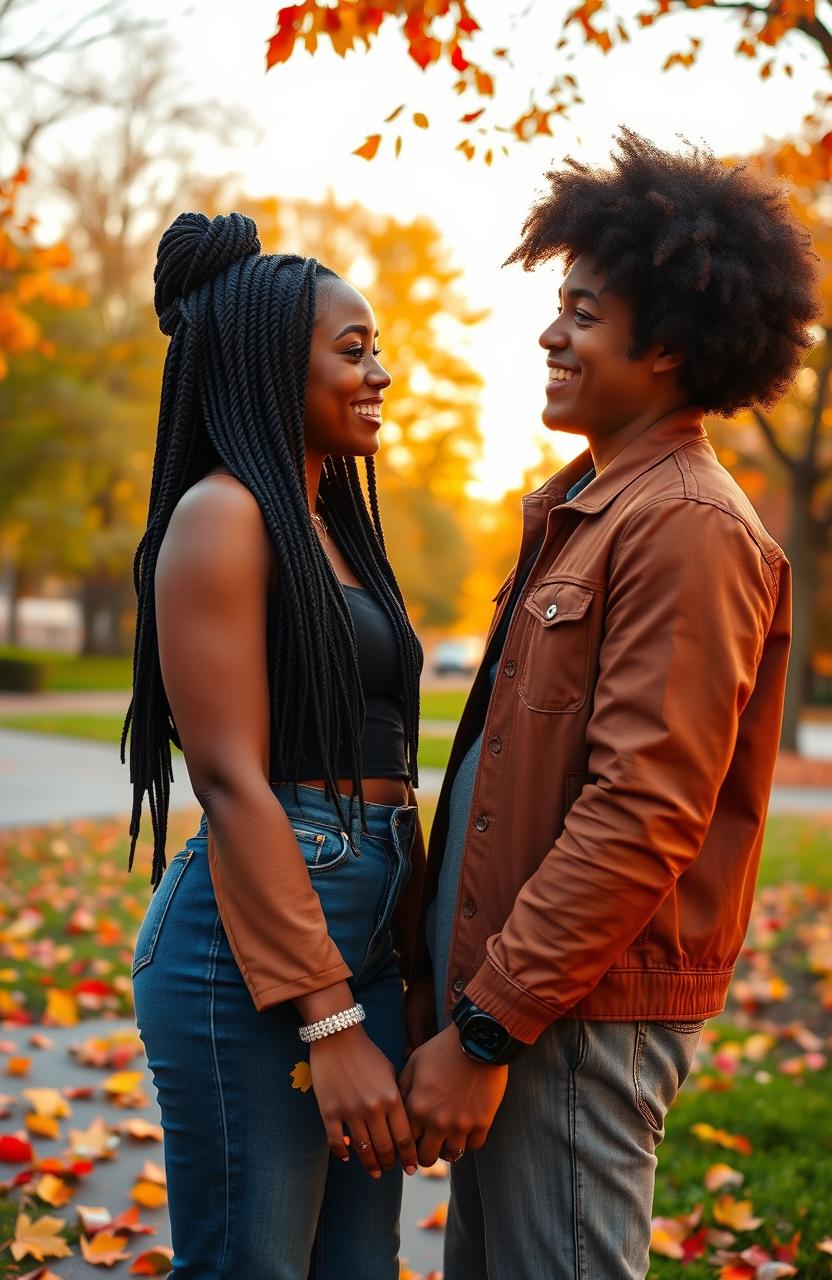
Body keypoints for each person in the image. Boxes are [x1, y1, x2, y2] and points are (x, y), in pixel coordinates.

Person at [400, 129, 821, 1279]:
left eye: (582, 311)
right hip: (529, 1005)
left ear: (670, 346)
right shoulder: (595, 506)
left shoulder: (688, 526)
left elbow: (642, 809)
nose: (550, 332)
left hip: (572, 1020)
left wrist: (488, 1026)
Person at [126, 211, 426, 1280]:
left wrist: (404, 973)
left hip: (365, 939)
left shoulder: (332, 527)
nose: (381, 372)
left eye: (377, 347)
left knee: (355, 1264)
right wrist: (329, 1019)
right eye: (353, 351)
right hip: (246, 957)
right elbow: (227, 775)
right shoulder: (222, 515)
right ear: (266, 366)